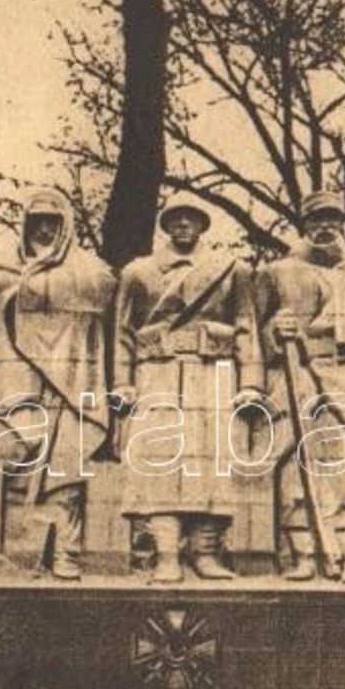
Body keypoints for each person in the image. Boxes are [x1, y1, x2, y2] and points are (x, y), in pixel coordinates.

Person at [113, 197, 266, 583]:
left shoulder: (232, 270)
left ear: (202, 225)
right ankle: (166, 555)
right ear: (165, 225)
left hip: (213, 372)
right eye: (175, 219)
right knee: (159, 463)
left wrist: (250, 382)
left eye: (191, 219)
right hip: (157, 373)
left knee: (210, 463)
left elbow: (246, 325)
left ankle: (205, 553)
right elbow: (122, 333)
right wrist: (122, 382)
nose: (183, 224)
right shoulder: (138, 272)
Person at [0, 188, 116, 581]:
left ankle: (66, 554)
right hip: (22, 381)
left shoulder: (91, 271)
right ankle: (22, 554)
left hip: (73, 386)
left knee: (66, 472)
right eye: (36, 221)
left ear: (66, 226)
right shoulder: (2, 270)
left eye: (51, 222)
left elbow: (100, 308)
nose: (43, 230)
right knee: (21, 459)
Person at [256, 190, 345, 584]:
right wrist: (274, 333)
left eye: (333, 219)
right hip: (296, 373)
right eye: (316, 220)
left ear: (344, 225)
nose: (325, 227)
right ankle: (302, 554)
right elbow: (253, 329)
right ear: (304, 225)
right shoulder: (277, 272)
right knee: (296, 468)